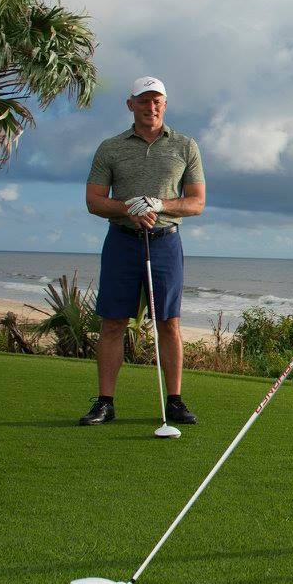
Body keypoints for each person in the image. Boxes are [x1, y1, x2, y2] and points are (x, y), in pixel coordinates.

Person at [78, 76, 207, 426]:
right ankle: (105, 402)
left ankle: (176, 401)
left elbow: (196, 203)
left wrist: (158, 203)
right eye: (144, 101)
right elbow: (93, 201)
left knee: (169, 322)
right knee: (113, 323)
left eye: (157, 101)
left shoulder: (184, 145)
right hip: (122, 241)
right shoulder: (111, 147)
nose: (151, 107)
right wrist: (128, 208)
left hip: (166, 241)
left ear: (165, 104)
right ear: (130, 104)